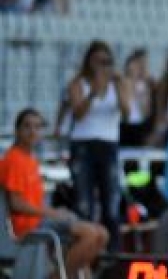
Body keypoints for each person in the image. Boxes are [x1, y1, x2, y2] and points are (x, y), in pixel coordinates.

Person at [1, 109, 109, 279]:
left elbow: (33, 202)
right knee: (90, 235)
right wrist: (52, 213)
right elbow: (16, 204)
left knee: (102, 234)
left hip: (41, 220)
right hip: (28, 227)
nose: (32, 131)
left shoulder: (30, 159)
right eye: (27, 126)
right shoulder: (13, 159)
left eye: (37, 127)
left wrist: (56, 213)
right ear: (17, 130)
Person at [66, 40, 130, 250]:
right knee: (83, 203)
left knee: (111, 202)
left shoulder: (118, 84)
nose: (102, 66)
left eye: (106, 61)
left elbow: (127, 113)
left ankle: (112, 251)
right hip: (83, 144)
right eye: (98, 61)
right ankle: (82, 248)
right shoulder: (78, 83)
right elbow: (78, 114)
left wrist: (118, 86)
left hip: (108, 144)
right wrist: (93, 93)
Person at [119, 48, 156, 147]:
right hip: (123, 124)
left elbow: (146, 111)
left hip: (139, 125)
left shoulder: (145, 85)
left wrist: (139, 92)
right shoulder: (122, 82)